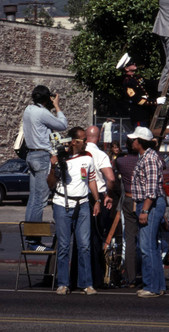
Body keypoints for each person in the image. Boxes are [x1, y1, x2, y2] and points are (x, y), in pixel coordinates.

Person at [47, 126, 101, 296]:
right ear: (73, 142)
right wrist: (53, 167)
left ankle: (86, 283)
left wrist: (97, 199)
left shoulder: (88, 157)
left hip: (83, 204)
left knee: (84, 246)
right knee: (63, 246)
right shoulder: (61, 158)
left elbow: (91, 180)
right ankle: (63, 283)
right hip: (62, 204)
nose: (86, 142)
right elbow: (50, 184)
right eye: (83, 139)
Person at [23, 85, 67, 250]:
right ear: (46, 98)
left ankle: (29, 238)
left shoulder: (28, 109)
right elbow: (62, 125)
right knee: (40, 200)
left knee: (33, 198)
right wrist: (56, 106)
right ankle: (33, 242)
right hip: (41, 156)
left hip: (30, 155)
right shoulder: (43, 113)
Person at [129, 126, 166, 298]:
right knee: (153, 247)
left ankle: (151, 286)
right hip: (148, 204)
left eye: (134, 139)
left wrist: (144, 209)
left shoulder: (149, 159)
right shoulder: (147, 156)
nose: (132, 142)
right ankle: (157, 285)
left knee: (147, 247)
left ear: (140, 142)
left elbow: (151, 190)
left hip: (149, 204)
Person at [86, 125, 115, 288]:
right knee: (97, 237)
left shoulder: (80, 153)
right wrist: (108, 195)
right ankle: (97, 277)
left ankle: (81, 275)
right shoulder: (100, 154)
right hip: (98, 196)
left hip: (83, 196)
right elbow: (110, 178)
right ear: (99, 137)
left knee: (83, 239)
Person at [116, 54, 165, 128]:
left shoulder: (137, 77)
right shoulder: (127, 82)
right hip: (139, 116)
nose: (134, 63)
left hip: (147, 114)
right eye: (131, 63)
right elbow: (137, 100)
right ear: (126, 68)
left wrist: (165, 82)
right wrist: (155, 101)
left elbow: (151, 83)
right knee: (141, 137)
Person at [116, 137, 140, 287]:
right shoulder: (143, 160)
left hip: (129, 198)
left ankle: (131, 277)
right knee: (147, 239)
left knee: (130, 239)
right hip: (143, 200)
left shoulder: (121, 162)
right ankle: (148, 274)